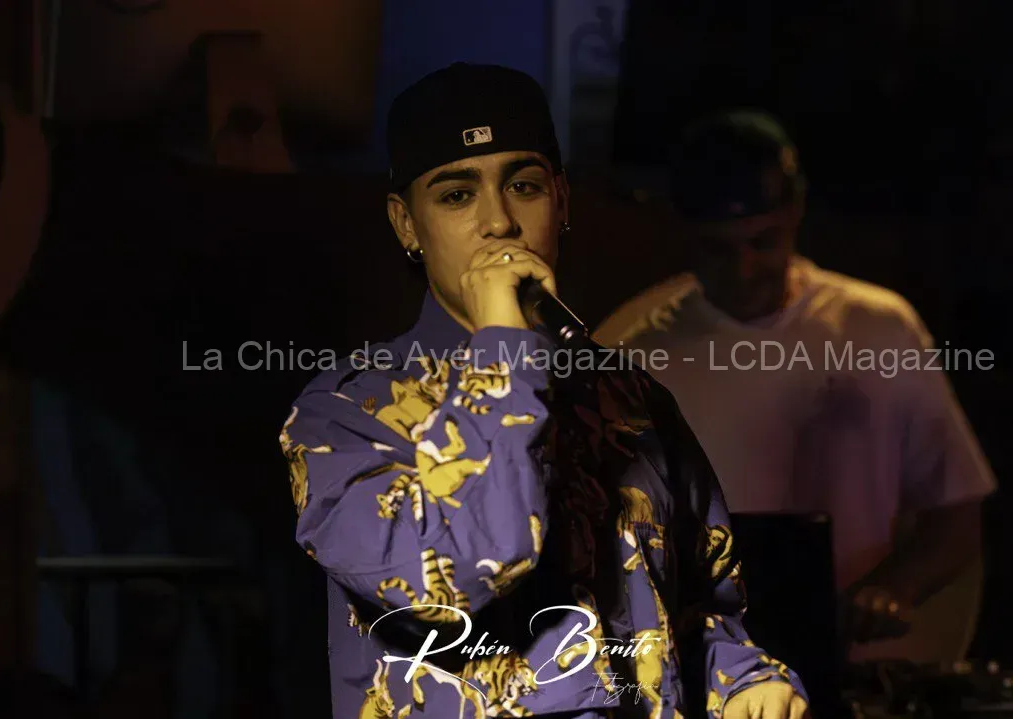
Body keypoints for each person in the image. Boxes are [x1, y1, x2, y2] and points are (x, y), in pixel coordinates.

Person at [277, 64, 808, 719]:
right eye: (456, 195)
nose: (499, 222)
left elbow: (705, 613)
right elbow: (458, 576)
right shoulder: (345, 415)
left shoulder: (632, 400)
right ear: (407, 224)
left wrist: (747, 682)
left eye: (523, 186)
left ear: (561, 200)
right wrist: (504, 350)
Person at [594, 110, 997, 664]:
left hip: (863, 671)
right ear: (680, 230)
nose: (743, 269)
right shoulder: (628, 352)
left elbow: (956, 516)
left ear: (796, 212)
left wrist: (892, 590)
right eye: (718, 249)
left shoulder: (879, 328)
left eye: (763, 242)